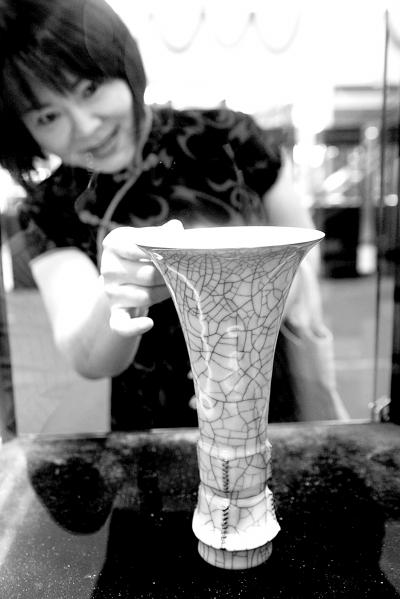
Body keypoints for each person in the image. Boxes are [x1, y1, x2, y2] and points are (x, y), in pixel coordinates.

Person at [0, 0, 326, 430]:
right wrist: (115, 294)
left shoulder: (229, 136)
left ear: (122, 64)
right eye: (48, 116)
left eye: (90, 88)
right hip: (149, 428)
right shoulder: (48, 207)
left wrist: (254, 310)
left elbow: (305, 253)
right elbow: (87, 358)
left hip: (261, 400)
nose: (86, 126)